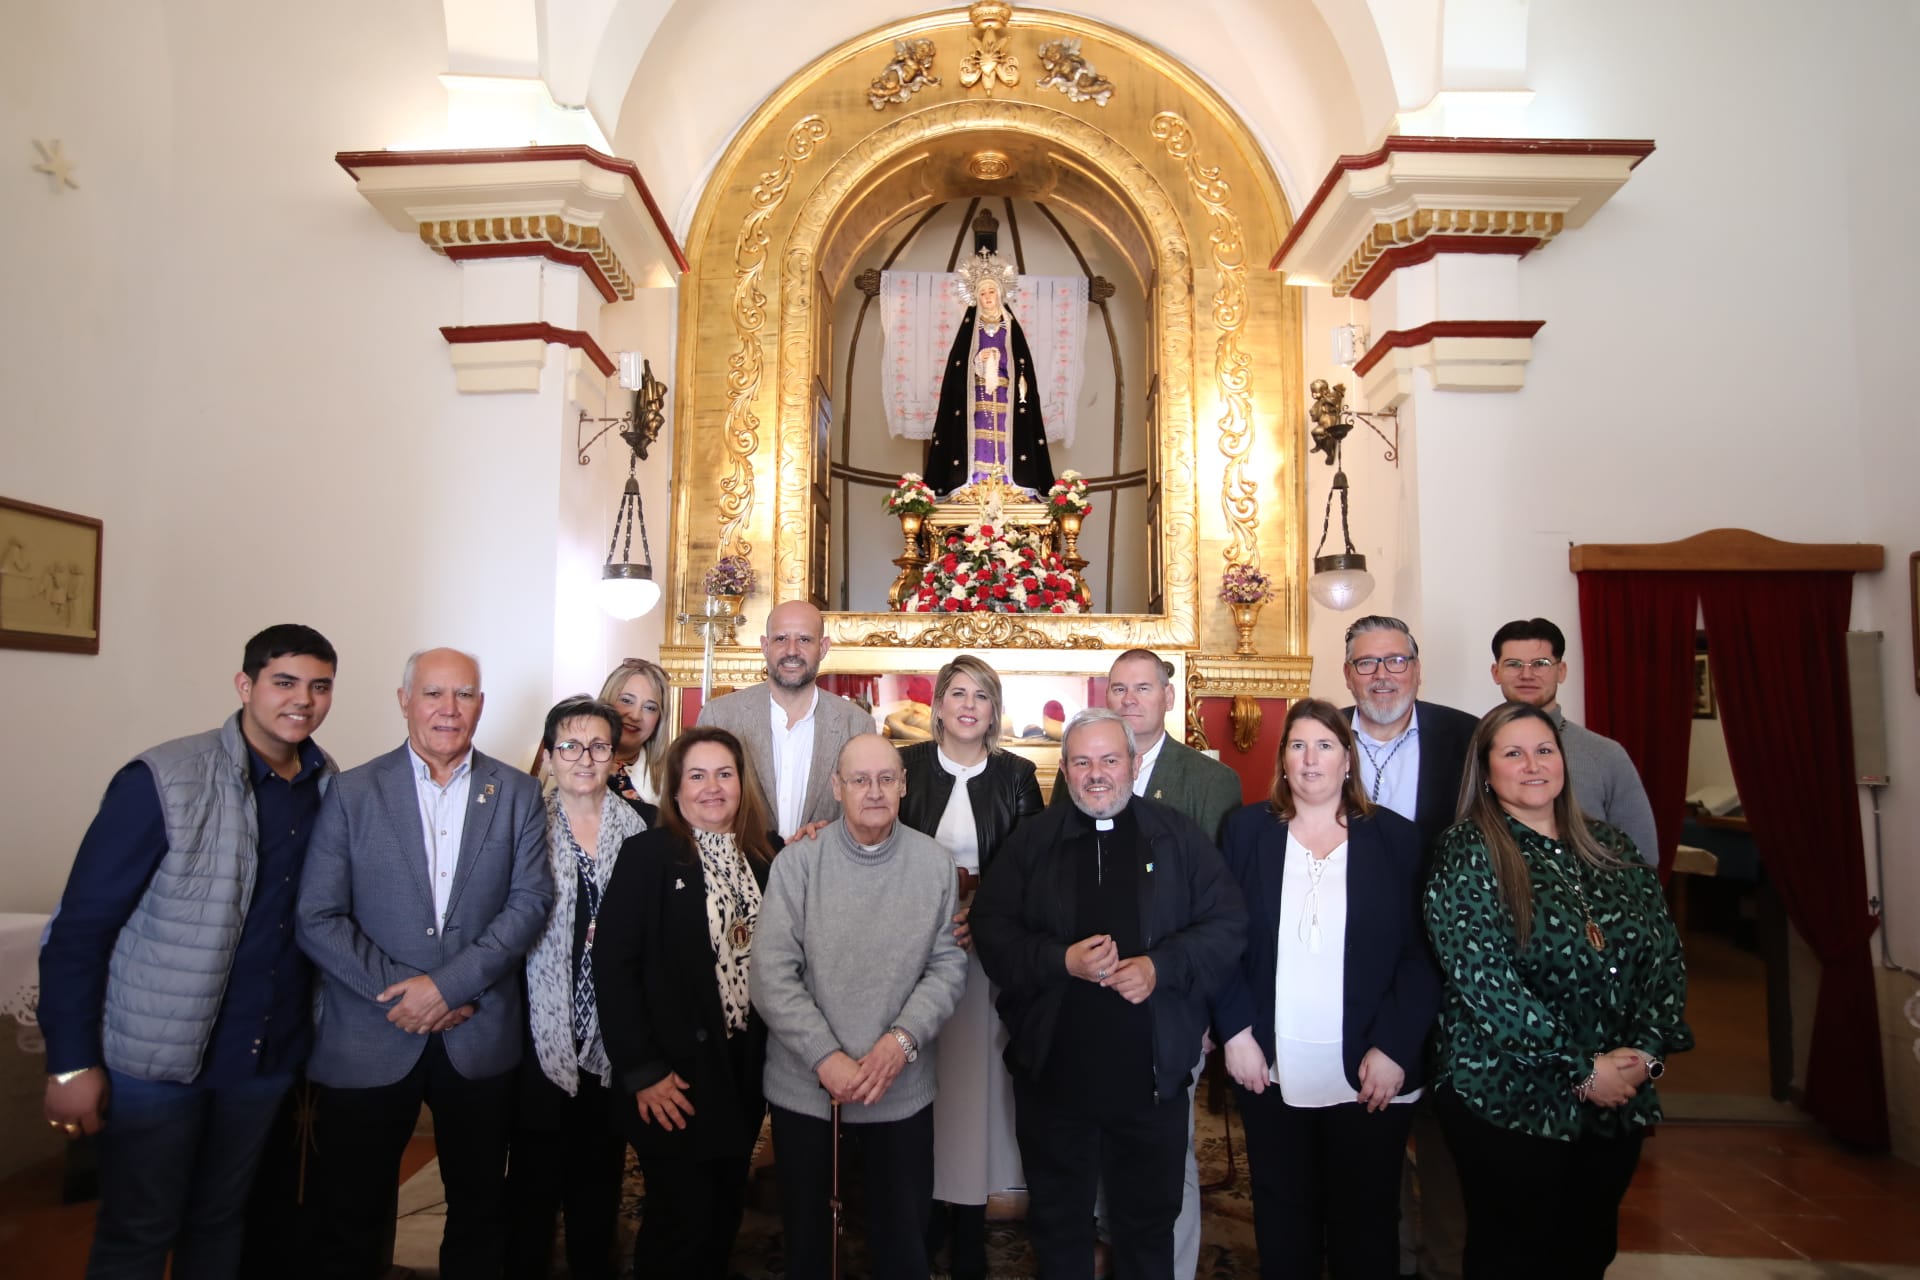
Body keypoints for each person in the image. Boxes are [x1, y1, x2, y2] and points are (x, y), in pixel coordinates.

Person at [37, 624, 338, 1279]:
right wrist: (68, 1064)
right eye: (284, 682)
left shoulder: (326, 785)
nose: (303, 701)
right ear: (245, 685)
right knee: (137, 1233)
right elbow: (79, 930)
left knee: (220, 1222)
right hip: (157, 1062)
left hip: (263, 1058)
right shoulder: (164, 778)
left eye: (319, 686)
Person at [295, 647, 554, 1280]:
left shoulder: (517, 792)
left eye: (463, 695)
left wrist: (448, 986)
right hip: (369, 1033)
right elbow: (318, 917)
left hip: (478, 1034)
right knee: (350, 1214)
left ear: (481, 706)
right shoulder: (352, 791)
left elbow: (529, 903)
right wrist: (404, 995)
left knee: (479, 1210)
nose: (448, 709)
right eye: (434, 694)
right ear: (405, 700)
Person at [972, 709, 1246, 1280]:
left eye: (1109, 760)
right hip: (1055, 1076)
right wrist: (1060, 960)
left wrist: (1159, 966)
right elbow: (993, 931)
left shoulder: (1177, 837)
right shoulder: (1032, 842)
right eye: (1082, 761)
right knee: (1059, 1222)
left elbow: (1226, 925)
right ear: (1066, 772)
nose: (1097, 774)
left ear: (1134, 763)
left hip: (1151, 1077)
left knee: (1148, 1225)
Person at [1425, 702, 1691, 1279]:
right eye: (1513, 753)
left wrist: (1647, 1053)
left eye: (1544, 750)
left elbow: (1664, 958)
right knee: (1513, 1253)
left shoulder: (1612, 846)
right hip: (1506, 1094)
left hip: (1618, 1091)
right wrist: (1579, 1069)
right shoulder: (1467, 851)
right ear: (1486, 769)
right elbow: (1485, 981)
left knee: (1587, 1248)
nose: (1533, 765)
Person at [1212, 699, 1440, 1279]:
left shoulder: (1397, 839)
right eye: (1297, 746)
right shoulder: (1244, 830)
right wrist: (1235, 1030)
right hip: (1271, 1061)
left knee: (1364, 1225)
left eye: (1325, 746)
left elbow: (1422, 956)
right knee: (1283, 1219)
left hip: (1370, 1068)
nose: (1310, 759)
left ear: (1348, 760)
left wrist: (1393, 1047)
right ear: (1282, 760)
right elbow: (1219, 941)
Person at [1047, 647, 1242, 1280]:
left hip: (1171, 1001)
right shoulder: (1079, 767)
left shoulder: (1209, 782)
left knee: (1167, 1158)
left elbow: (1221, 906)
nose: (1130, 699)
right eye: (1118, 688)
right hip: (1086, 1001)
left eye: (1142, 688)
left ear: (1167, 693)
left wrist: (1204, 1005)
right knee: (1093, 1151)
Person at [750, 734, 968, 1280]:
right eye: (859, 780)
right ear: (837, 787)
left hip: (900, 1087)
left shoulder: (934, 865)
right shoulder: (797, 865)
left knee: (901, 1239)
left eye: (885, 779)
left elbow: (946, 968)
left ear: (903, 785)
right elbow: (771, 975)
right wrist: (826, 1058)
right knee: (811, 1244)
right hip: (807, 1090)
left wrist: (901, 1043)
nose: (874, 792)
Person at [594, 727, 781, 1280]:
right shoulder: (648, 854)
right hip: (672, 1076)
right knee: (680, 1218)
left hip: (740, 1071)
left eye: (724, 774)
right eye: (696, 776)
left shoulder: (763, 856)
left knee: (724, 1208)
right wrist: (643, 1070)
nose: (712, 788)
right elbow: (613, 967)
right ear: (675, 790)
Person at [897, 656, 1044, 1280]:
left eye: (980, 695)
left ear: (994, 708)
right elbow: (878, 843)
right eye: (956, 692)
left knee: (971, 1092)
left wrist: (982, 912)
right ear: (936, 704)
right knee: (911, 1083)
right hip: (908, 947)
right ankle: (917, 1213)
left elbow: (1032, 869)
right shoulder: (903, 768)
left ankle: (966, 1222)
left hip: (983, 952)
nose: (967, 705)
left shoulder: (1017, 775)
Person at [1339, 614, 1476, 1280]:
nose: (1382, 675)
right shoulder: (1322, 735)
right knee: (1368, 1132)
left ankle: (1444, 1266)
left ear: (1418, 669)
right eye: (1367, 663)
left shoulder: (1465, 736)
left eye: (1396, 661)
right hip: (1356, 973)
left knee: (1447, 1139)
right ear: (1348, 674)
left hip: (1452, 969)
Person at [504, 696, 648, 1279]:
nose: (583, 758)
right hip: (537, 1032)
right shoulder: (523, 827)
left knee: (598, 1177)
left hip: (610, 1036)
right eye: (569, 745)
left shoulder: (639, 829)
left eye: (597, 746)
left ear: (615, 757)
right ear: (548, 754)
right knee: (534, 1181)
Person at [1489, 618, 1658, 866]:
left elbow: (1642, 856)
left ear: (1562, 671)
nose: (1527, 674)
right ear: (1496, 672)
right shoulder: (1475, 745)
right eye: (1514, 664)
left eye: (1541, 664)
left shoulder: (1605, 754)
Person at [697, 599, 873, 839]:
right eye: (781, 639)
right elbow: (697, 805)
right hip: (740, 868)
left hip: (820, 871)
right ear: (765, 645)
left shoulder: (857, 725)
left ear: (823, 647)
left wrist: (834, 834)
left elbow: (867, 812)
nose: (792, 651)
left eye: (804, 639)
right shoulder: (720, 716)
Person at [923, 248, 1057, 497]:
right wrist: (977, 359)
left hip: (1006, 394)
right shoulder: (971, 329)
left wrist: (1000, 359)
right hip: (978, 394)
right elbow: (959, 366)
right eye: (982, 293)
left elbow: (1021, 364)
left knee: (1004, 434)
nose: (987, 297)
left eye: (991, 291)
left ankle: (1008, 482)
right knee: (980, 434)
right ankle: (976, 482)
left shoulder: (1010, 326)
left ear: (1000, 294)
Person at [598, 657, 670, 823]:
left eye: (650, 708)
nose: (635, 715)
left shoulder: (674, 776)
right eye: (626, 701)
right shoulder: (561, 756)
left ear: (660, 719)